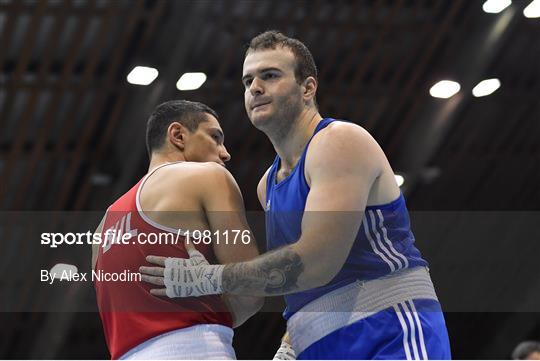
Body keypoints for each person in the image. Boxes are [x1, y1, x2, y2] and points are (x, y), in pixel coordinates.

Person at [140, 31, 452, 359]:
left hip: (389, 333)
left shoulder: (339, 142)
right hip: (317, 346)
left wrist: (209, 278)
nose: (255, 88)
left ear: (307, 88)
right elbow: (301, 283)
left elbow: (317, 261)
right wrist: (292, 340)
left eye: (270, 75)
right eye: (248, 82)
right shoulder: (267, 185)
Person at [92, 100, 263, 359]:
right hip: (196, 349)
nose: (225, 152)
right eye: (215, 137)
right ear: (178, 135)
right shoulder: (208, 176)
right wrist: (212, 285)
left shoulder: (103, 226)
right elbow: (251, 291)